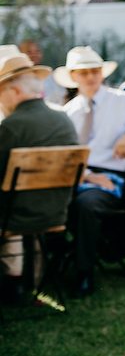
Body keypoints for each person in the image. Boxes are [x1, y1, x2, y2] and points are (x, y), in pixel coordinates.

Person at [58, 46, 125, 296]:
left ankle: (83, 273)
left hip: (111, 178)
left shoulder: (123, 102)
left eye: (95, 71)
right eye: (84, 72)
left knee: (86, 204)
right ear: (74, 76)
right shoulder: (69, 112)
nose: (91, 77)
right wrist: (84, 176)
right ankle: (44, 269)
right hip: (76, 176)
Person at [0, 49, 79, 299]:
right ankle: (25, 279)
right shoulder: (64, 119)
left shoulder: (11, 127)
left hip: (16, 217)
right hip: (56, 212)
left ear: (14, 91)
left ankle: (12, 279)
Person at [19, 39, 65, 105]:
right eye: (29, 52)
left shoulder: (51, 76)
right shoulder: (17, 80)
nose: (34, 55)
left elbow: (64, 98)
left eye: (37, 51)